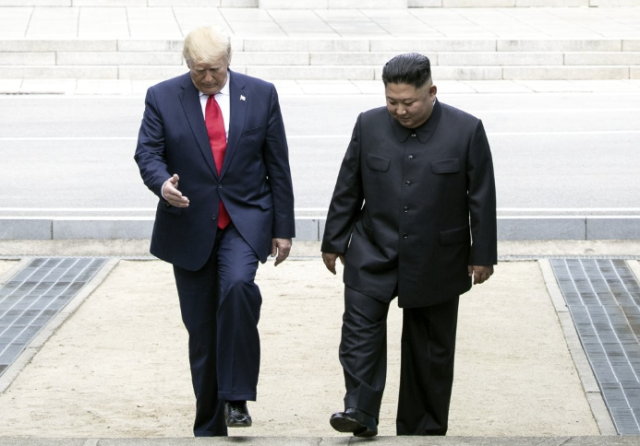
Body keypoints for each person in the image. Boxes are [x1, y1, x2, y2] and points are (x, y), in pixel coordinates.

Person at [321, 53, 497, 437]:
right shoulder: (368, 124)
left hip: (438, 256)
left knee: (430, 350)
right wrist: (333, 241)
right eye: (391, 101)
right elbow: (348, 185)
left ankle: (422, 430)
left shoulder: (466, 130)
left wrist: (482, 255)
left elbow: (481, 198)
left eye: (408, 102)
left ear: (431, 91)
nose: (399, 110)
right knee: (358, 333)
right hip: (372, 248)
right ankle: (360, 410)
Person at [134, 26, 295, 437]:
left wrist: (283, 229)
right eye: (199, 71)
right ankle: (208, 425)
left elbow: (277, 164)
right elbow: (148, 151)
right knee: (203, 332)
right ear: (187, 65)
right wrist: (162, 184)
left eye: (216, 71)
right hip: (188, 223)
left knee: (238, 287)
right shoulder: (162, 96)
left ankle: (237, 396)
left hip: (244, 219)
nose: (208, 79)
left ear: (230, 61)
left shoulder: (261, 94)